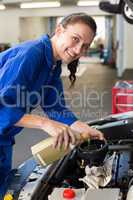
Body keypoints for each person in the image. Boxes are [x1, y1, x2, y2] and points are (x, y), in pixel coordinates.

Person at [0, 12, 104, 195]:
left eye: (85, 46)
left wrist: (84, 128)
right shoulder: (31, 54)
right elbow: (3, 106)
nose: (79, 50)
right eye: (75, 39)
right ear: (59, 30)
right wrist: (44, 123)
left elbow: (55, 106)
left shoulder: (52, 66)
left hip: (4, 138)